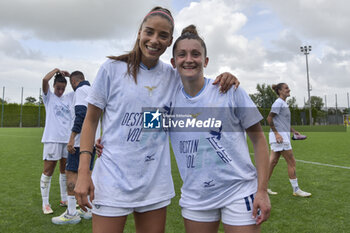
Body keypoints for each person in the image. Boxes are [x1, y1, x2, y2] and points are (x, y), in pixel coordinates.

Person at [74, 7, 239, 233]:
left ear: (170, 41)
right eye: (149, 32)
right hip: (110, 181)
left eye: (162, 36)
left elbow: (191, 93)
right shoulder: (111, 69)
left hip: (154, 183)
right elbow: (91, 121)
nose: (154, 40)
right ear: (139, 32)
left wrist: (226, 78)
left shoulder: (173, 75)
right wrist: (84, 172)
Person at [168, 25, 270, 233]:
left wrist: (262, 190)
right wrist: (105, 143)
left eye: (196, 54)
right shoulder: (166, 101)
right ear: (173, 62)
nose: (189, 59)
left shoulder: (229, 91)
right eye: (182, 54)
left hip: (239, 190)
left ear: (205, 61)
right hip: (196, 196)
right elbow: (143, 130)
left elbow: (259, 140)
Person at [52, 71, 98, 224]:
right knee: (87, 173)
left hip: (79, 142)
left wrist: (72, 138)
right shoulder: (92, 90)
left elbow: (80, 114)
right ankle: (89, 209)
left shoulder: (79, 91)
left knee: (71, 172)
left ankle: (71, 212)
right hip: (91, 141)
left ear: (73, 82)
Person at [266, 83, 311, 197]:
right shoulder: (278, 103)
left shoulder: (283, 104)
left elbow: (282, 122)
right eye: (286, 88)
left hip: (281, 136)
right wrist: (276, 134)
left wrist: (293, 131)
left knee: (272, 162)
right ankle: (296, 190)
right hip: (280, 137)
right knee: (291, 162)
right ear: (280, 91)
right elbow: (269, 118)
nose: (289, 89)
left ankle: (262, 187)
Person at [40, 69, 74, 214]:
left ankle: (64, 199)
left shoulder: (69, 98)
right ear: (54, 87)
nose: (60, 91)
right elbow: (44, 80)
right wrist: (56, 70)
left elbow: (82, 86)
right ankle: (45, 203)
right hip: (52, 139)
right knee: (48, 170)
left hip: (66, 140)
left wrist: (70, 76)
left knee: (65, 170)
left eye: (62, 88)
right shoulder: (49, 98)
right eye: (58, 88)